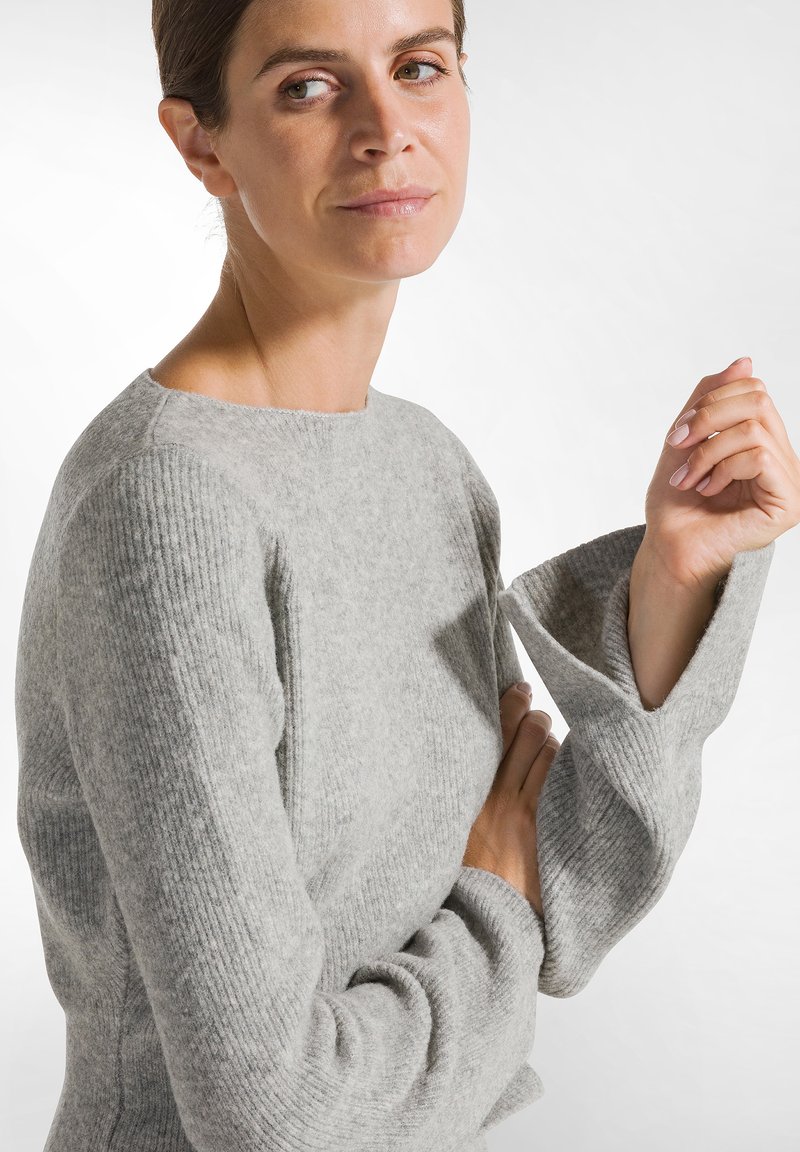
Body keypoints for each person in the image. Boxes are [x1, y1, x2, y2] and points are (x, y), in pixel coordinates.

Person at [15, 1, 797, 1150]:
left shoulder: (425, 466)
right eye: (307, 87)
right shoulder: (164, 508)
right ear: (201, 143)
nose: (386, 129)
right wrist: (494, 900)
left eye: (419, 66)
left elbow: (557, 903)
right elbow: (271, 1117)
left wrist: (678, 569)